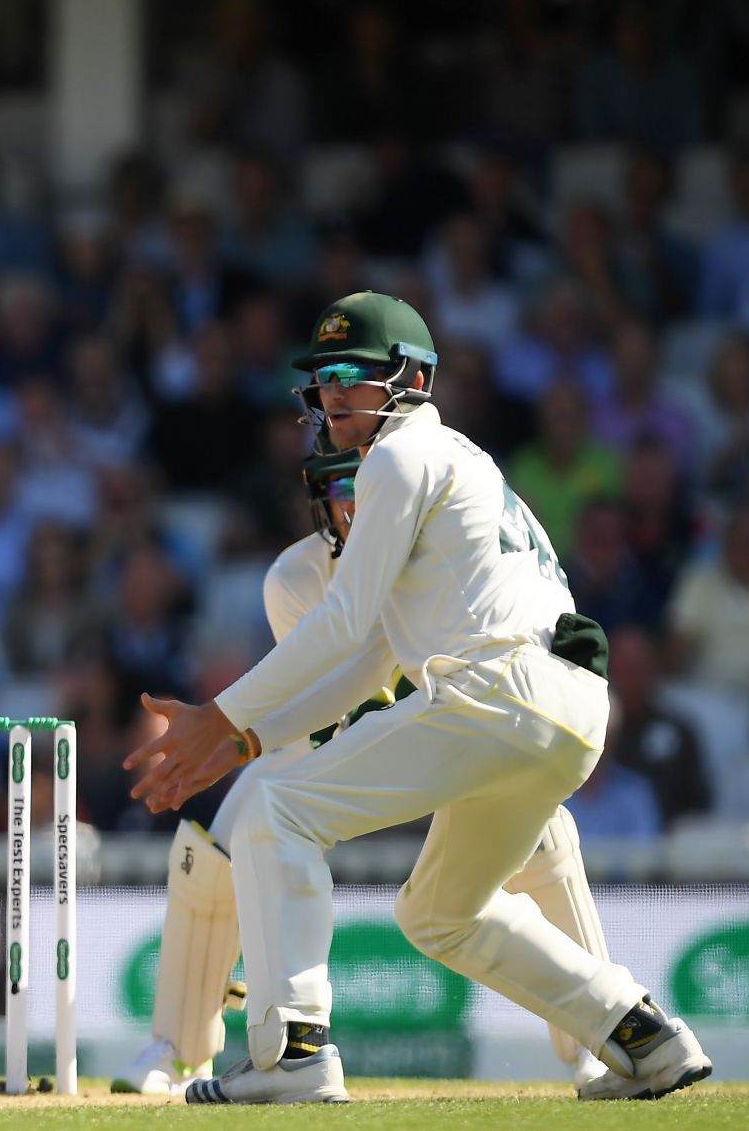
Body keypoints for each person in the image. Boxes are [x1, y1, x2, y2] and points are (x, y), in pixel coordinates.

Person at [124, 291, 711, 1103]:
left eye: (352, 375)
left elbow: (342, 623)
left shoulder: (400, 457)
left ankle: (289, 1054)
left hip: (496, 690)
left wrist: (224, 718)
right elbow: (370, 658)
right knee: (439, 912)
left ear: (413, 377)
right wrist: (245, 742)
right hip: (568, 708)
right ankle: (642, 1036)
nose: (332, 394)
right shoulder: (467, 464)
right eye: (324, 378)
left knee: (276, 813)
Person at [113, 446, 616, 1097]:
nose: (359, 507)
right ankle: (179, 1051)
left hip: (466, 736)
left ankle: (597, 1048)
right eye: (342, 492)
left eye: (367, 488)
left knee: (544, 833)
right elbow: (339, 709)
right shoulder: (298, 576)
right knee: (215, 844)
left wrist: (240, 734)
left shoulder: (447, 544)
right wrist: (241, 744)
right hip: (347, 752)